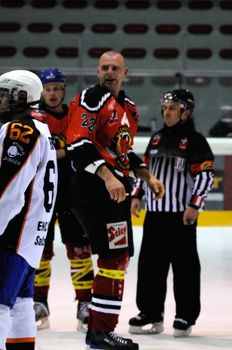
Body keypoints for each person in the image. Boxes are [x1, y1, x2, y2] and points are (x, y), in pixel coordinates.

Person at [65, 50, 165, 350]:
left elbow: (122, 151)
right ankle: (101, 332)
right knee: (113, 257)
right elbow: (78, 144)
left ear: (125, 73)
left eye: (115, 68)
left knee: (117, 257)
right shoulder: (90, 98)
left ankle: (98, 328)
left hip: (113, 189)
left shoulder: (129, 108)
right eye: (105, 67)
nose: (109, 72)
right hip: (94, 187)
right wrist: (108, 178)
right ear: (98, 71)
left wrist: (147, 176)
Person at [128, 89, 215, 337]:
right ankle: (150, 313)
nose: (166, 112)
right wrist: (137, 195)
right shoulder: (155, 139)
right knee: (149, 266)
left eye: (173, 108)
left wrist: (194, 205)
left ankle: (185, 315)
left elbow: (205, 177)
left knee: (185, 268)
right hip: (154, 216)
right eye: (165, 107)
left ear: (186, 112)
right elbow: (144, 171)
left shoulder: (196, 140)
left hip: (181, 217)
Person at [31, 68, 94, 332]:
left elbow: (81, 149)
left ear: (64, 90)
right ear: (41, 91)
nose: (53, 93)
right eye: (48, 89)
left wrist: (62, 151)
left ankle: (84, 303)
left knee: (79, 250)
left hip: (72, 193)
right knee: (39, 251)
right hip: (41, 194)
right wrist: (63, 151)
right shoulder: (34, 118)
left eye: (57, 88)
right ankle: (38, 301)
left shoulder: (76, 116)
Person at [0, 70, 57, 350]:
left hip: (11, 232)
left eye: (3, 94)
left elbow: (9, 188)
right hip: (30, 236)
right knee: (21, 303)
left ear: (20, 97)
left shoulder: (19, 129)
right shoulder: (44, 128)